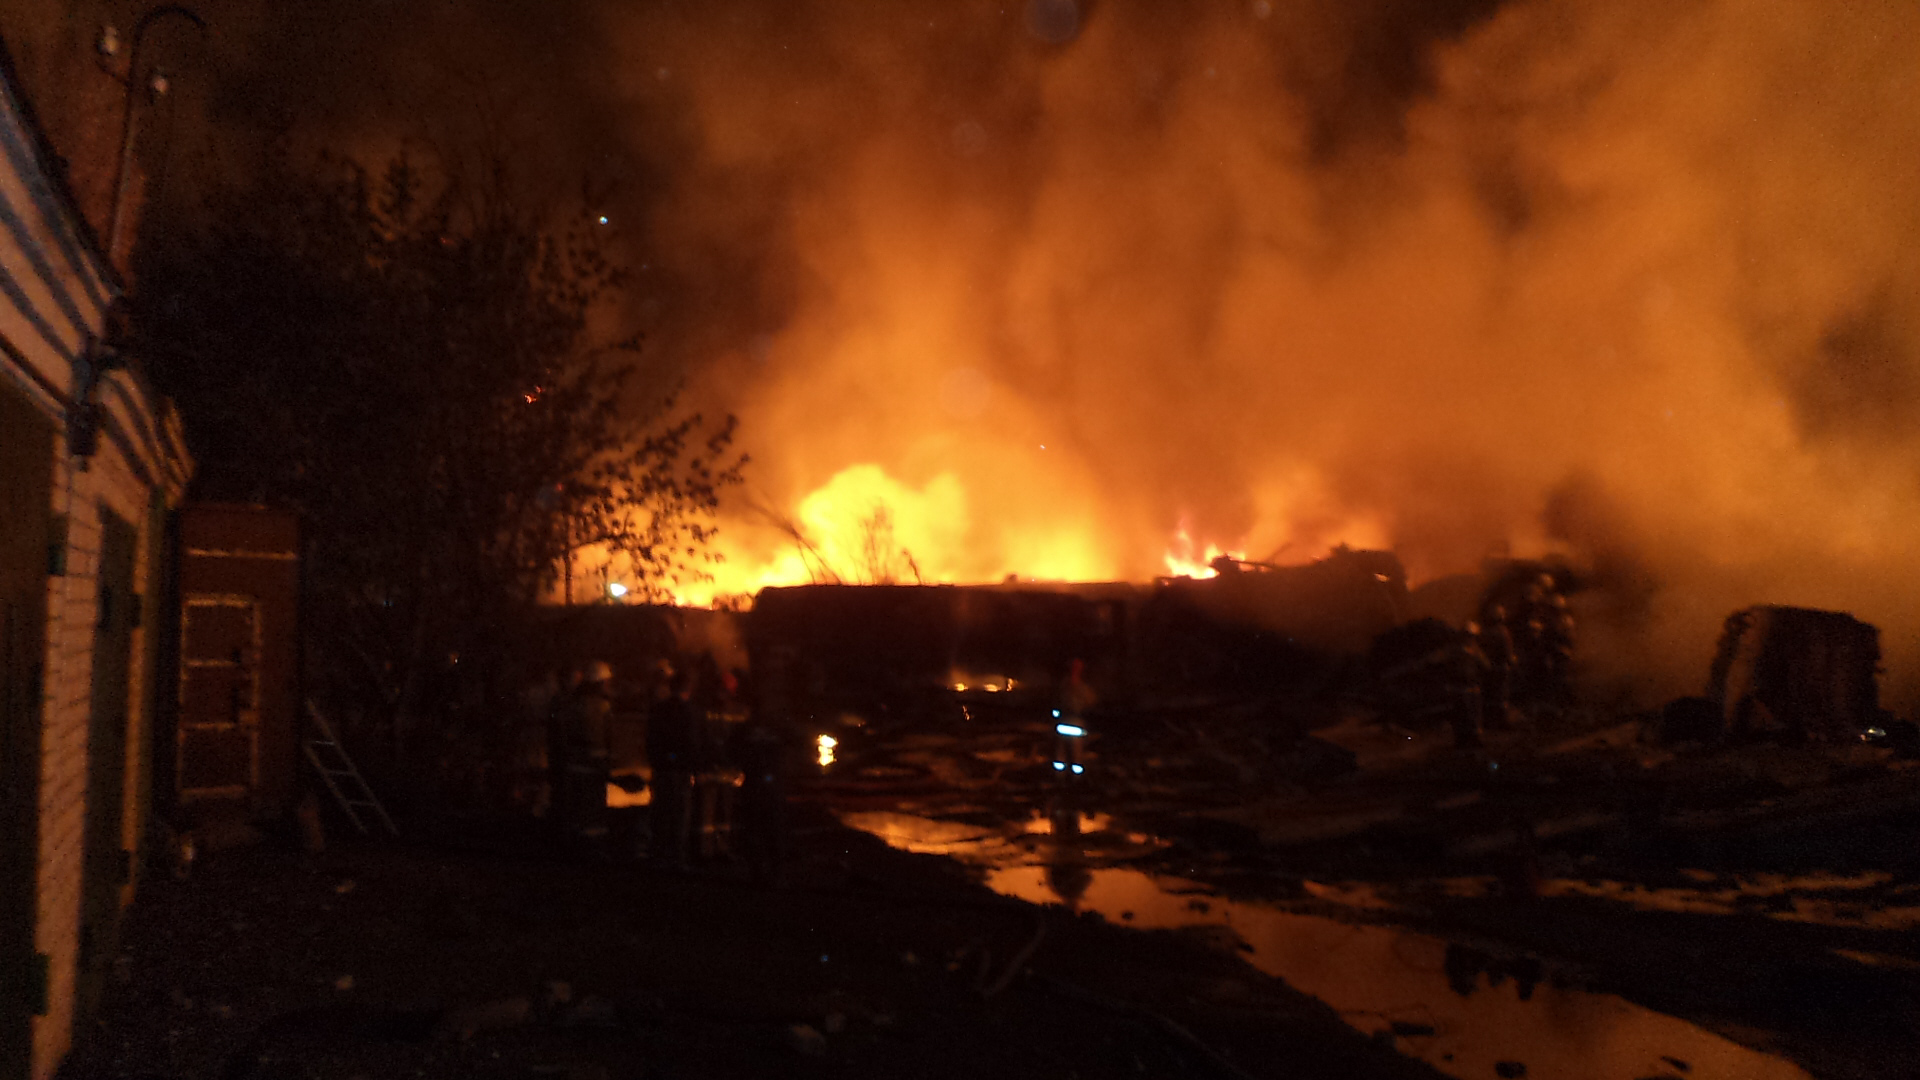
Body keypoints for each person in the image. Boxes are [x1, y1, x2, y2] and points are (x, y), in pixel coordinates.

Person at [646, 666, 698, 868]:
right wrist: (691, 765)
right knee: (680, 814)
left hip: (662, 769)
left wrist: (658, 760)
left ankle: (658, 853)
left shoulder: (659, 709)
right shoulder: (689, 711)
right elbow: (692, 742)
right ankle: (677, 856)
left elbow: (650, 739)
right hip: (681, 770)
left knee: (661, 810)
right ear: (689, 687)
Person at [563, 661, 615, 851]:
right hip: (595, 768)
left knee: (579, 810)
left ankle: (576, 848)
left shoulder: (574, 705)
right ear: (600, 683)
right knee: (594, 811)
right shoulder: (603, 707)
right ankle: (594, 848)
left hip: (576, 766)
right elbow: (609, 738)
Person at [1052, 658, 1098, 777]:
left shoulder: (1083, 688)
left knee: (1076, 753)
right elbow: (1057, 701)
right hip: (1065, 722)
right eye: (1073, 667)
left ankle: (1075, 777)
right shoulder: (1063, 686)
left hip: (1075, 722)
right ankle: (1060, 776)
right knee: (1061, 754)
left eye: (1077, 667)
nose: (1075, 670)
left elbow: (1091, 702)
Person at [1476, 605, 1516, 731]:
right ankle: (1501, 722)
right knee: (1501, 695)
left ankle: (1489, 722)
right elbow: (1507, 652)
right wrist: (1512, 662)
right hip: (1501, 668)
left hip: (1488, 668)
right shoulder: (1502, 632)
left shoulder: (1484, 632)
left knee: (1490, 695)